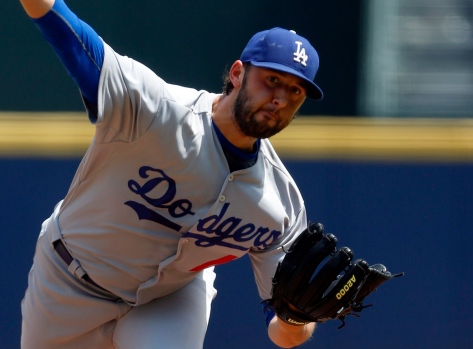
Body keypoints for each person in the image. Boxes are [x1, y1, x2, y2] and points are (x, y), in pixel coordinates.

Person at [19, 0, 324, 348]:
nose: (280, 99)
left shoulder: (281, 204)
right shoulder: (156, 110)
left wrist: (297, 319)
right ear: (237, 74)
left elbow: (282, 332)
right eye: (271, 80)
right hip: (68, 280)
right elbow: (65, 30)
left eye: (295, 91)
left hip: (170, 298)